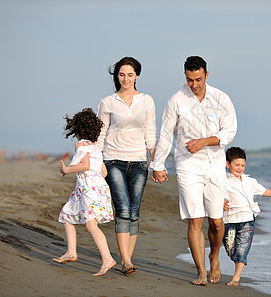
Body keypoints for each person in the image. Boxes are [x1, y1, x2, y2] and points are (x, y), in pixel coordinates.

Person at [151, 56, 237, 285]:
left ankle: (214, 256)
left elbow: (229, 132)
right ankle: (200, 271)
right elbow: (166, 134)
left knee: (217, 221)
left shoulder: (221, 99)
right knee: (194, 219)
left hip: (216, 164)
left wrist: (205, 141)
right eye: (190, 80)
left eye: (198, 79)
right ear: (185, 77)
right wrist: (158, 165)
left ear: (207, 75)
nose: (194, 84)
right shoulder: (176, 101)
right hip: (187, 165)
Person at [97, 57, 157, 274]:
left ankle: (128, 258)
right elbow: (101, 134)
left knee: (134, 211)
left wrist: (157, 163)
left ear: (137, 76)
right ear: (117, 76)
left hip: (139, 161)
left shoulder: (147, 101)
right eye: (121, 74)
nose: (125, 79)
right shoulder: (108, 102)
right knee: (122, 209)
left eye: (130, 75)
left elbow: (150, 133)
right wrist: (97, 163)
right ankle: (124, 260)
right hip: (113, 160)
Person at [53, 108, 116, 277]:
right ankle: (72, 252)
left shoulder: (80, 145)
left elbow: (85, 165)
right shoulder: (96, 148)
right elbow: (104, 172)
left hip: (87, 189)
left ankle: (107, 259)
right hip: (98, 189)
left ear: (77, 129)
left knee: (88, 224)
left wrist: (67, 169)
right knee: (68, 214)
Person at [223, 147, 271, 286]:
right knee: (230, 248)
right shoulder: (223, 180)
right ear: (227, 164)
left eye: (243, 165)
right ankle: (237, 257)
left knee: (242, 247)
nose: (240, 168)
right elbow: (217, 195)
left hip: (247, 218)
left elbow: (263, 190)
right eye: (236, 165)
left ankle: (236, 277)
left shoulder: (250, 181)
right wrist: (222, 202)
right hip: (229, 219)